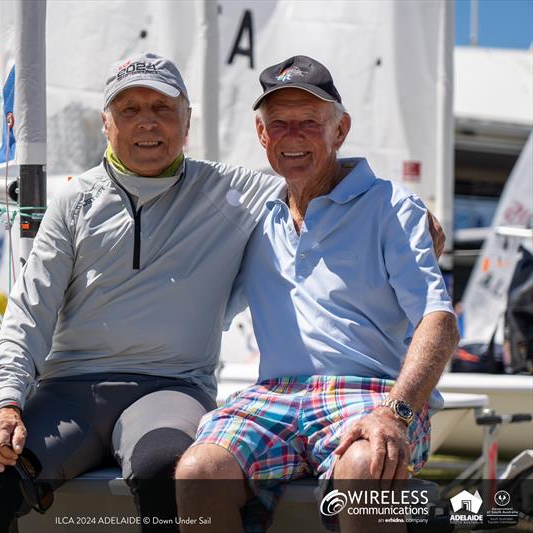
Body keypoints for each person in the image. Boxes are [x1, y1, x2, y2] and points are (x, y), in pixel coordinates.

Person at [0, 53, 444, 533]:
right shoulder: (76, 202)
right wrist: (7, 403)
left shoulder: (234, 192)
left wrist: (417, 220)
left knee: (166, 469)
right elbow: (27, 316)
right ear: (106, 123)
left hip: (176, 389)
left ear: (187, 123)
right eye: (130, 110)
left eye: (163, 109)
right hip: (76, 390)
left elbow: (329, 185)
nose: (148, 124)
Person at [175, 55, 460, 533]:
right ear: (262, 136)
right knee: (198, 473)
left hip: (371, 393)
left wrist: (396, 412)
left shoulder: (393, 208)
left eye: (310, 122)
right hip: (274, 396)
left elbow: (439, 320)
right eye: (279, 124)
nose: (294, 136)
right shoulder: (253, 217)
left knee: (367, 466)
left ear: (340, 130)